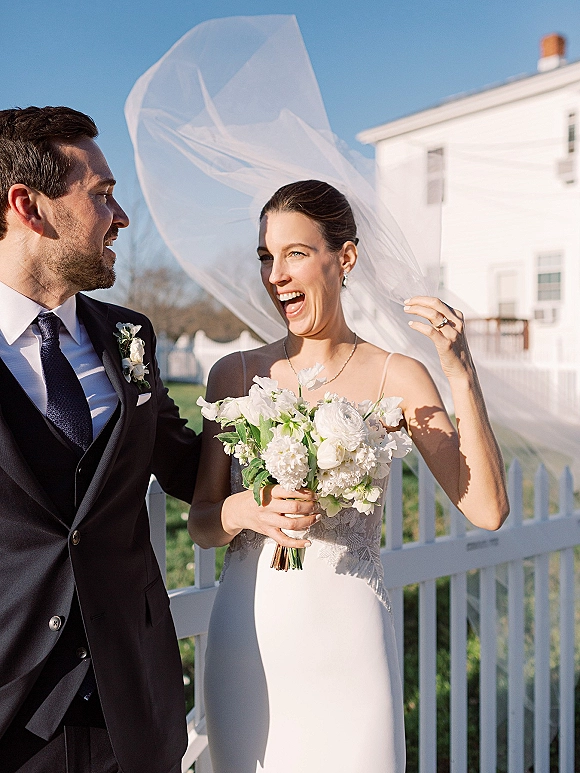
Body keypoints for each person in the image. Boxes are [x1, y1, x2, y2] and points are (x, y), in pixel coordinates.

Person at [189, 179, 509, 773]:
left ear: (346, 258)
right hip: (250, 641)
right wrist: (245, 511)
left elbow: (487, 509)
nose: (274, 274)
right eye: (266, 256)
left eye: (295, 253)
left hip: (350, 646)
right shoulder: (232, 374)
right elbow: (203, 523)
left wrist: (461, 374)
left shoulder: (399, 376)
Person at [0, 106, 201, 773]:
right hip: (14, 723)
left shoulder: (130, 337)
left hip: (132, 706)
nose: (121, 217)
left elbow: (189, 467)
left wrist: (293, 399)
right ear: (28, 207)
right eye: (102, 196)